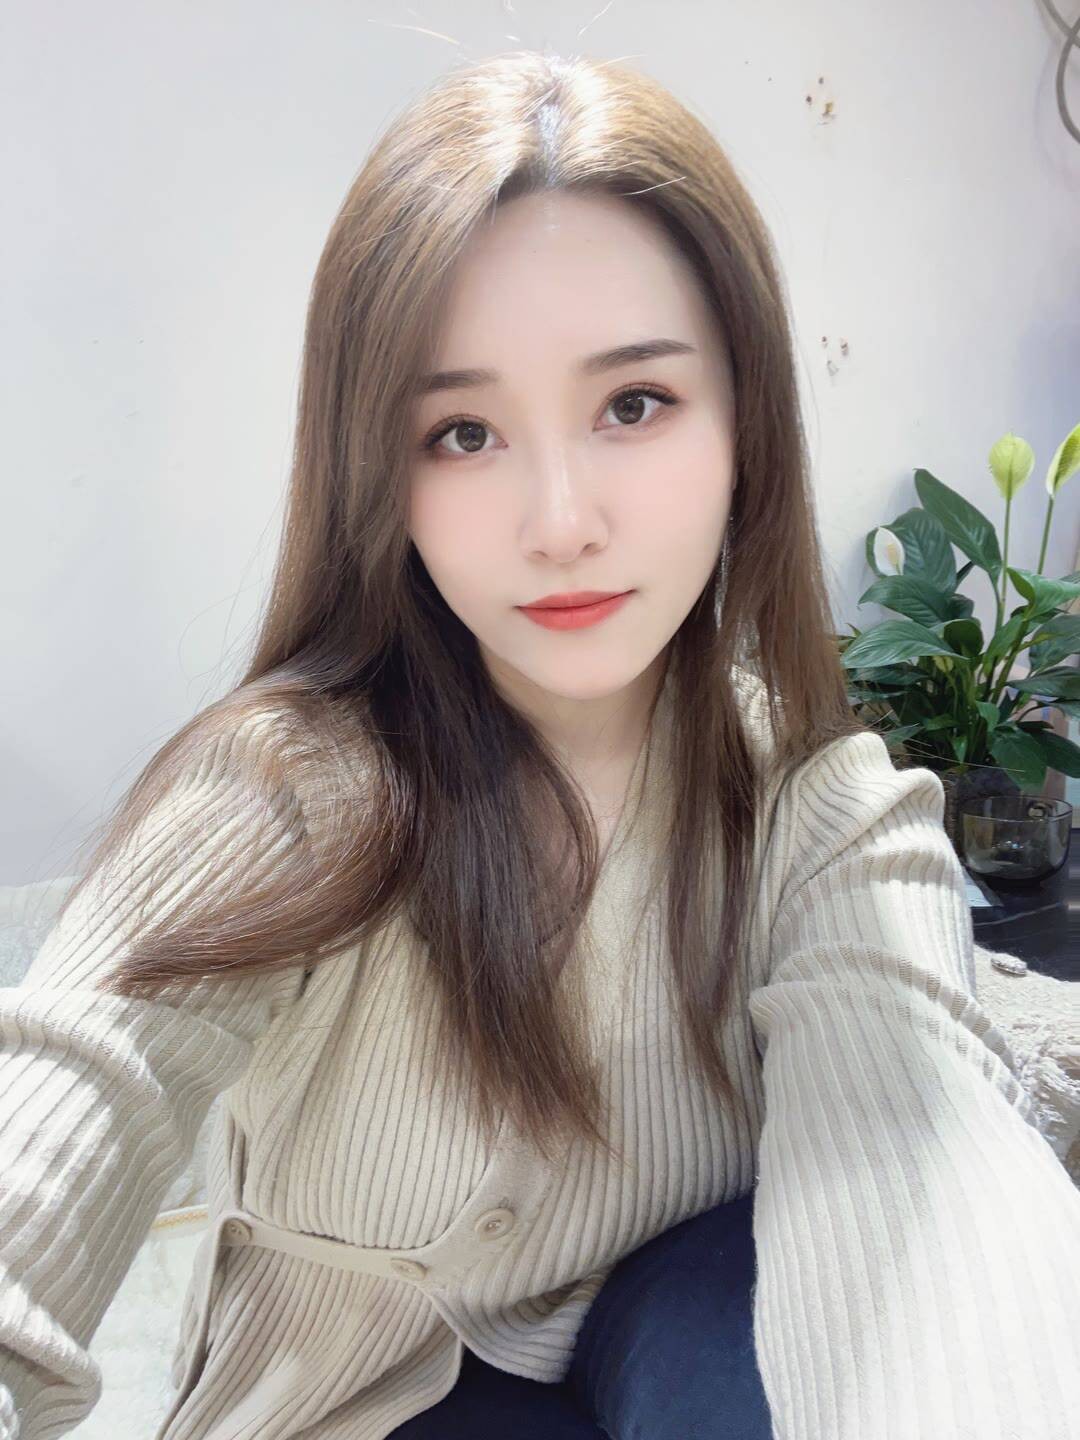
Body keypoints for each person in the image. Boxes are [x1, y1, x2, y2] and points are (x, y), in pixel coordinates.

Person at [2, 47, 1078, 1440]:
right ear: (376, 473)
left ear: (746, 425)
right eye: (462, 432)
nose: (560, 521)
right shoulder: (286, 792)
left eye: (634, 405)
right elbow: (73, 1087)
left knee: (735, 1287)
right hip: (349, 1402)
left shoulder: (820, 807)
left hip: (681, 1340)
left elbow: (922, 1182)